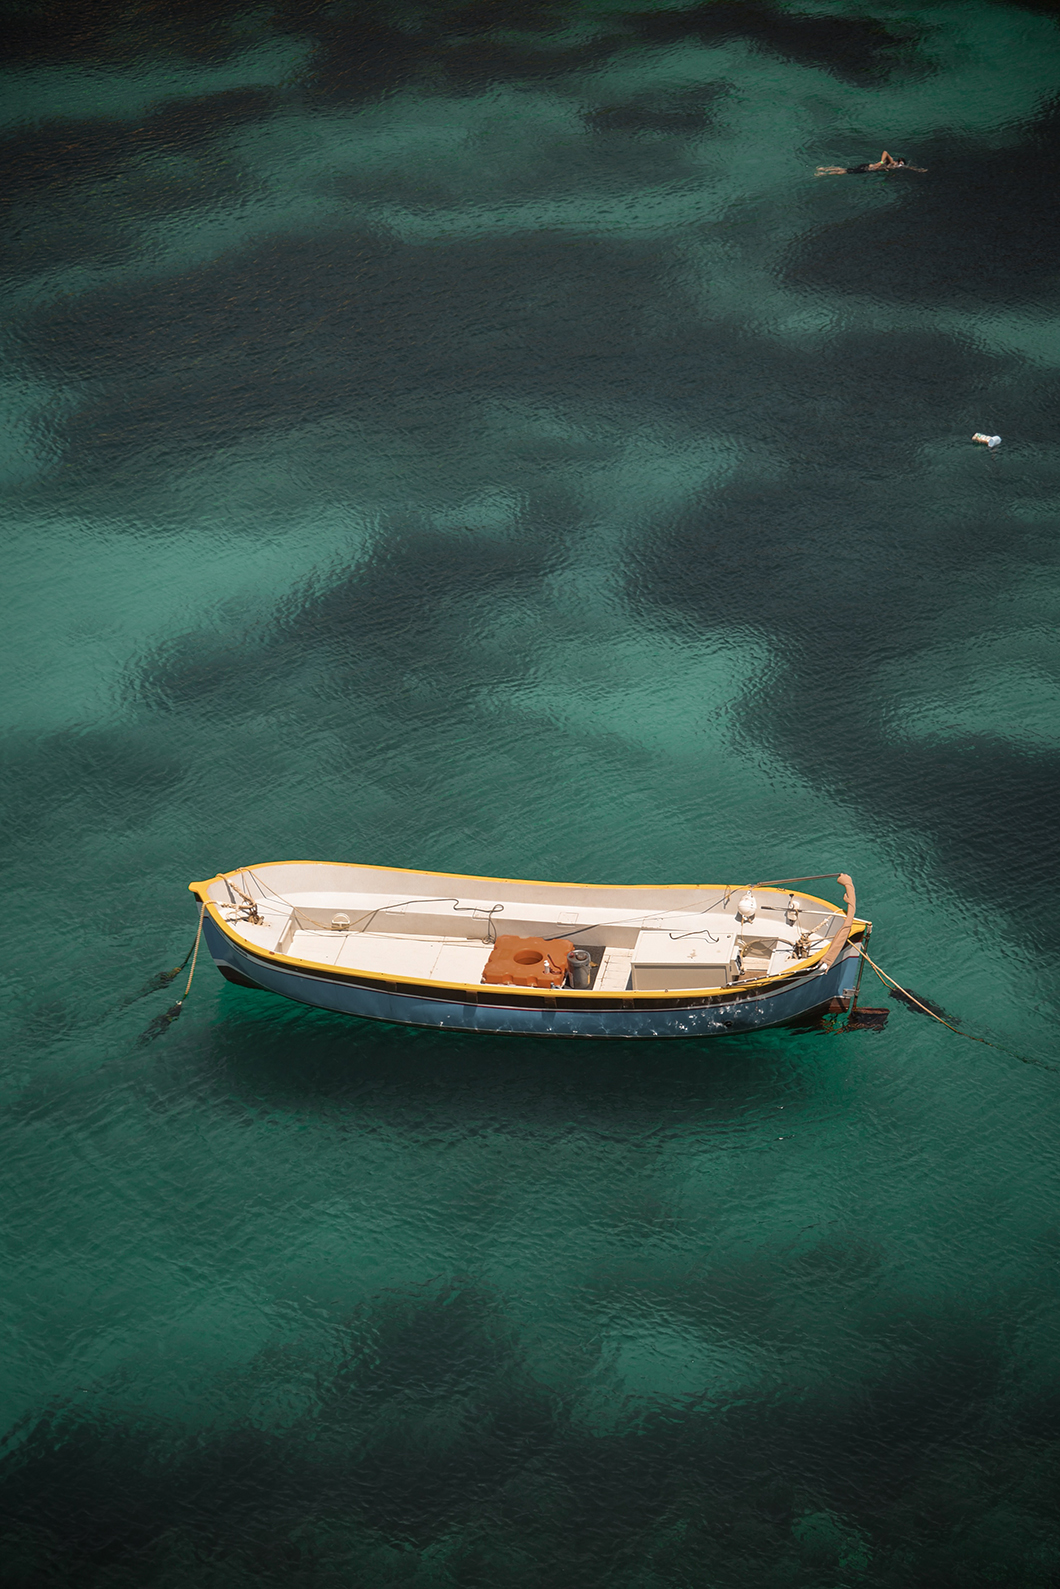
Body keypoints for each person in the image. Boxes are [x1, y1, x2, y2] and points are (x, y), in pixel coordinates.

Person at [815, 150, 925, 175]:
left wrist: (918, 170)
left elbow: (908, 167)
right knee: (846, 172)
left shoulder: (895, 166)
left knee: (846, 170)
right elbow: (885, 152)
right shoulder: (892, 162)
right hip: (867, 168)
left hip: (867, 168)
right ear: (898, 162)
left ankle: (824, 169)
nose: (900, 165)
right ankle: (824, 173)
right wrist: (881, 162)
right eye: (900, 163)